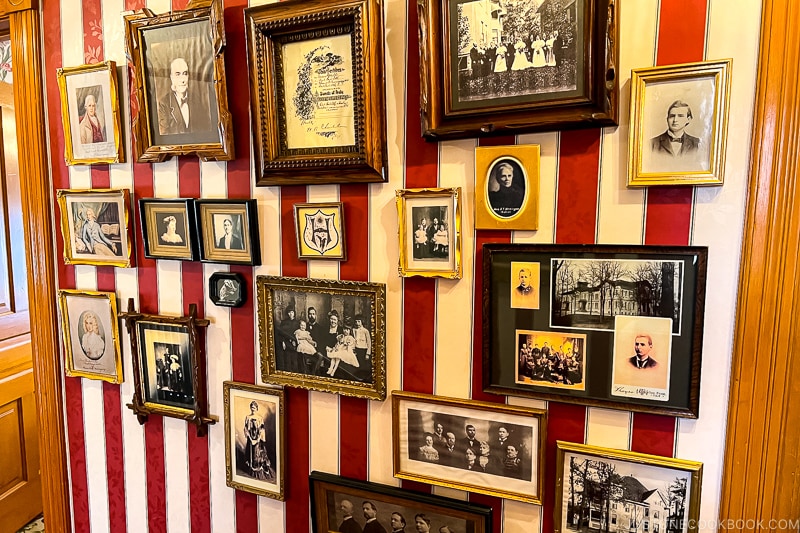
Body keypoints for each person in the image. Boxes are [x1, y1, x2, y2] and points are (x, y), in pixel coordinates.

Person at [157, 57, 212, 135]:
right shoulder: (164, 104)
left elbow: (205, 129)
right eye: (177, 74)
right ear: (172, 77)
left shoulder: (196, 99)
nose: (182, 80)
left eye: (185, 74)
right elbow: (165, 137)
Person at [243, 400, 273, 480]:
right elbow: (246, 429)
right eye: (251, 407)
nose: (253, 409)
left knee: (258, 455)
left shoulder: (260, 418)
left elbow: (262, 430)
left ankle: (259, 472)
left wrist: (257, 440)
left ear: (257, 408)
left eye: (254, 407)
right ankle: (252, 471)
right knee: (251, 454)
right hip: (251, 439)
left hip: (258, 439)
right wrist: (251, 439)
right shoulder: (248, 417)